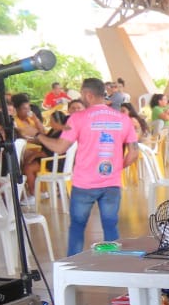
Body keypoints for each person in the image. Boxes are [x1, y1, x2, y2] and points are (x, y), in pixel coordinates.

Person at [34, 78, 139, 255]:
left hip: (84, 184)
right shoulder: (123, 118)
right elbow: (134, 153)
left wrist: (39, 136)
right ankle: (115, 264)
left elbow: (60, 148)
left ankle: (73, 266)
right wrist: (116, 168)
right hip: (111, 183)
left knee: (77, 226)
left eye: (82, 94)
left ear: (88, 95)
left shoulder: (77, 118)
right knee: (110, 226)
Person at [10, 92, 46, 198]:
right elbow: (22, 138)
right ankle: (32, 192)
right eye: (24, 109)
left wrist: (36, 120)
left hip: (38, 149)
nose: (28, 111)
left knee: (35, 160)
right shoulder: (15, 121)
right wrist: (37, 140)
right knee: (28, 162)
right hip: (25, 149)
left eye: (28, 108)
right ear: (17, 110)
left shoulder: (31, 119)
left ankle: (37, 190)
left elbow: (43, 133)